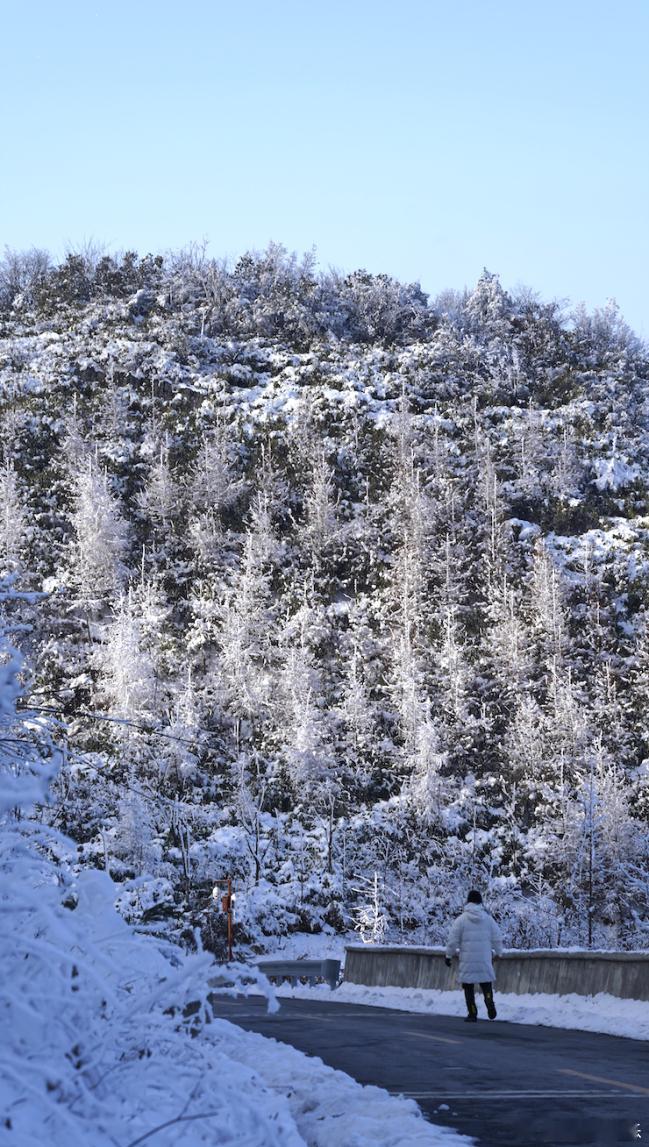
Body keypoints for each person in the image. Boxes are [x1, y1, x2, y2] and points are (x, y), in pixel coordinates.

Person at [444, 889, 503, 1022]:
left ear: (468, 901)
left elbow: (453, 940)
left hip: (467, 960)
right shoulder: (488, 920)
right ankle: (489, 1001)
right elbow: (497, 937)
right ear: (480, 902)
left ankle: (472, 1013)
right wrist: (499, 952)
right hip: (484, 959)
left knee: (468, 987)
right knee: (486, 984)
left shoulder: (461, 920)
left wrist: (448, 955)